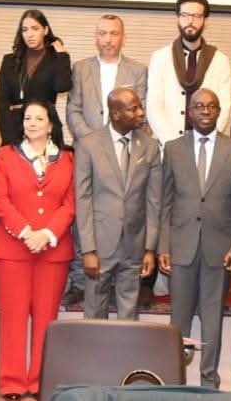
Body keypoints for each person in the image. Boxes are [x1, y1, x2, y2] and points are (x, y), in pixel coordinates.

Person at [159, 88, 231, 389]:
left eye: (212, 106)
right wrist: (163, 246)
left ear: (220, 111)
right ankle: (174, 380)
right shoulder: (173, 148)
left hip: (219, 249)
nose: (206, 111)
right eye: (199, 106)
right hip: (181, 247)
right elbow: (165, 202)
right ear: (190, 112)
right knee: (179, 320)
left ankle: (210, 382)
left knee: (213, 320)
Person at [0, 100, 76, 400]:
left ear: (51, 124)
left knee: (45, 319)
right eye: (28, 118)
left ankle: (40, 381)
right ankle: (13, 383)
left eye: (39, 118)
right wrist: (27, 233)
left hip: (53, 251)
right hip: (12, 249)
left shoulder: (67, 159)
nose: (32, 123)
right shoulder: (6, 155)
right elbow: (0, 201)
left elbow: (70, 203)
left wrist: (47, 234)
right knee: (13, 318)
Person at [74, 87, 161, 319]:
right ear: (115, 114)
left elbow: (154, 200)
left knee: (129, 316)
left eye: (140, 107)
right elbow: (82, 199)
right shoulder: (89, 145)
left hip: (134, 244)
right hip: (100, 245)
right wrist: (88, 250)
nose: (141, 113)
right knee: (95, 313)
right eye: (133, 109)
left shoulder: (150, 146)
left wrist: (150, 249)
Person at [147, 0, 231, 141]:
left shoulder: (220, 60)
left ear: (205, 21)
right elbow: (154, 106)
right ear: (178, 19)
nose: (190, 21)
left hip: (206, 143)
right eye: (185, 15)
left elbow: (224, 106)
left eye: (197, 16)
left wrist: (206, 140)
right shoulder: (160, 58)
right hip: (168, 142)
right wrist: (173, 144)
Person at [0, 9, 73, 146]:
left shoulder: (56, 58)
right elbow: (2, 102)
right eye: (25, 30)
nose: (29, 34)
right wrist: (8, 138)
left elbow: (62, 86)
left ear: (46, 30)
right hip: (14, 129)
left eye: (35, 29)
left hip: (46, 129)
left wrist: (62, 55)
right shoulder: (10, 60)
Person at [67, 14, 148, 142]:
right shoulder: (80, 68)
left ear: (124, 38)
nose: (108, 39)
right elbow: (73, 110)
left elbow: (142, 113)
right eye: (102, 33)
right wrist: (92, 140)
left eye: (114, 33)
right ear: (96, 38)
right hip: (86, 144)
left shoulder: (138, 70)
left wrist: (120, 140)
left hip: (125, 145)